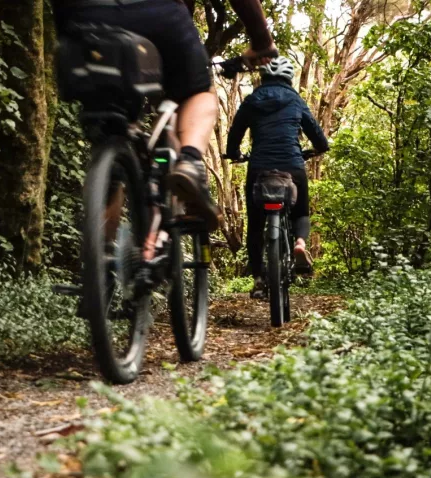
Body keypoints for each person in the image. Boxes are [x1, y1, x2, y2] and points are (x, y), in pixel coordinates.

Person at [51, 0, 277, 232]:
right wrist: (262, 41)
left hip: (82, 17)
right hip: (157, 14)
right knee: (197, 92)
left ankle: (101, 260)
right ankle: (189, 161)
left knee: (111, 133)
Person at [225, 57, 329, 299]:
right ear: (288, 78)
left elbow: (235, 133)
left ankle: (259, 279)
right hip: (292, 166)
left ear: (263, 76)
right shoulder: (295, 100)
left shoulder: (251, 101)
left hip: (259, 168)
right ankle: (300, 244)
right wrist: (317, 149)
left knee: (255, 225)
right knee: (301, 211)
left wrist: (234, 154)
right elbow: (319, 138)